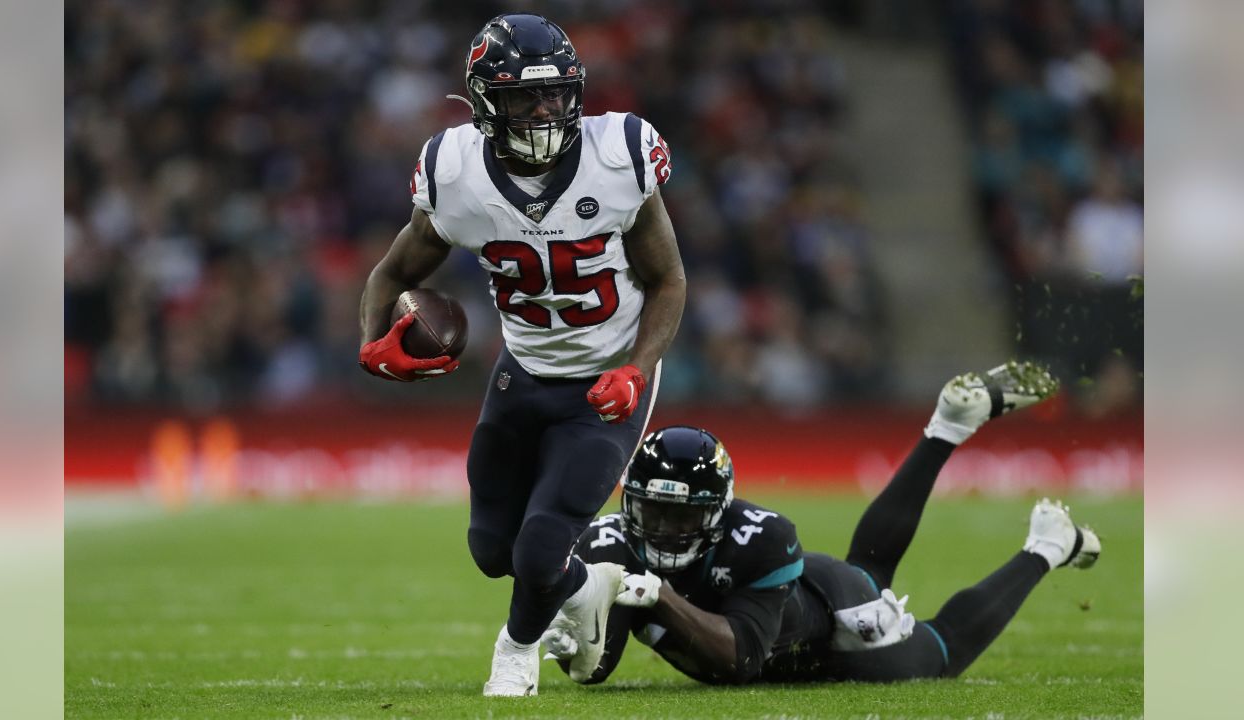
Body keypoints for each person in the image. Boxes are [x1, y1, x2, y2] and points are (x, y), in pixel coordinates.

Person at [357, 14, 685, 697]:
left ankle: (517, 650)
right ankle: (587, 588)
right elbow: (389, 276)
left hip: (605, 382)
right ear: (484, 101)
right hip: (523, 371)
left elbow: (668, 281)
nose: (543, 109)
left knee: (540, 547)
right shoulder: (456, 175)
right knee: (491, 552)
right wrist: (373, 342)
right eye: (522, 96)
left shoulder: (619, 154)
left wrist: (637, 368)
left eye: (555, 94)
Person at [543, 361, 1102, 685]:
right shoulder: (607, 543)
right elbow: (593, 668)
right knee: (873, 563)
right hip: (766, 616)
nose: (662, 529)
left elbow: (740, 660)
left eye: (680, 514)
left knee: (941, 649)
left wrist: (658, 595)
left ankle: (1047, 546)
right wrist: (574, 625)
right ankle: (948, 427)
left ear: (718, 512)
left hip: (830, 626)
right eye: (651, 510)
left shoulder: (763, 537)